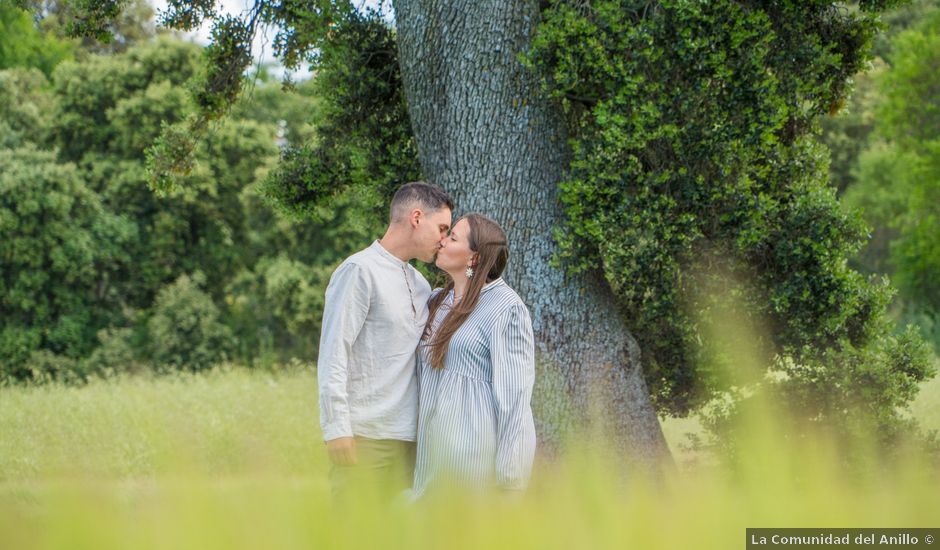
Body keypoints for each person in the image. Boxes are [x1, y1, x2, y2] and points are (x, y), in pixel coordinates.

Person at [317, 181, 453, 500]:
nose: (444, 239)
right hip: (366, 439)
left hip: (410, 443)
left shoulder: (419, 284)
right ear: (417, 217)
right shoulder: (359, 270)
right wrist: (336, 428)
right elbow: (334, 352)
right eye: (442, 228)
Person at [411, 213, 537, 498]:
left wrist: (510, 480)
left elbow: (515, 398)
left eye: (452, 237)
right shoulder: (437, 300)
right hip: (430, 461)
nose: (442, 241)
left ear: (474, 258)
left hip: (473, 466)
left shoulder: (506, 308)